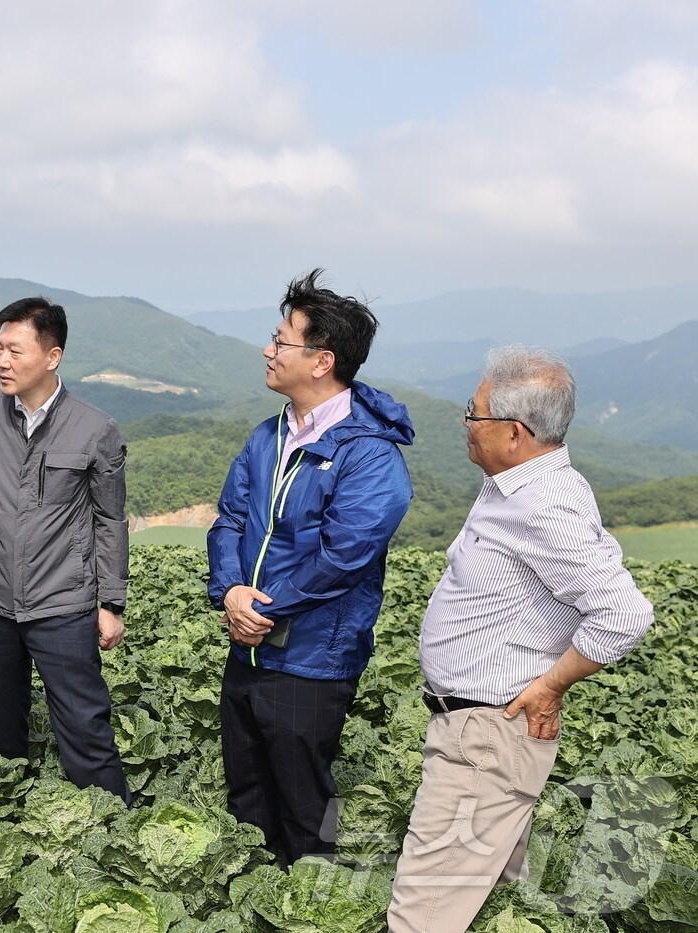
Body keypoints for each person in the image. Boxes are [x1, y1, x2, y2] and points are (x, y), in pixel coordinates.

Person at [388, 347, 654, 932]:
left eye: (473, 413)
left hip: (487, 735)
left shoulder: (543, 505)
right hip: (482, 734)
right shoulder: (516, 484)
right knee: (491, 907)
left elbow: (624, 614)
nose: (464, 423)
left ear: (514, 432)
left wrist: (551, 685)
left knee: (422, 915)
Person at [207, 269, 413, 865]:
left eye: (281, 340)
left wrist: (264, 608)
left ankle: (311, 908)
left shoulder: (369, 456)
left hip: (311, 658)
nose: (268, 351)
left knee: (302, 807)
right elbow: (229, 520)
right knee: (247, 793)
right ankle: (252, 903)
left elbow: (344, 556)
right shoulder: (267, 436)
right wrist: (231, 594)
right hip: (247, 645)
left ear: (321, 361)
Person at [0, 296, 130, 803]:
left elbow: (109, 519)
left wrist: (110, 602)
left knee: (85, 731)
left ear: (52, 356)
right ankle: (9, 834)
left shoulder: (95, 428)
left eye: (15, 351)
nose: (2, 361)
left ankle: (116, 831)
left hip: (63, 604)